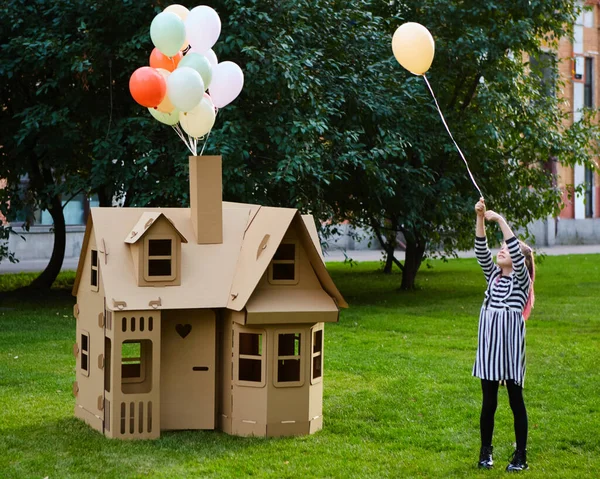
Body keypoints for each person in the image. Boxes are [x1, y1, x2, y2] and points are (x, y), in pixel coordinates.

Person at [473, 198, 535, 472]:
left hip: (509, 349)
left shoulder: (521, 281)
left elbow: (512, 245)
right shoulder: (493, 277)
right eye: (500, 248)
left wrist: (499, 221)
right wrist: (480, 218)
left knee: (515, 400)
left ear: (520, 261)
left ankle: (520, 455)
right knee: (489, 402)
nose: (501, 251)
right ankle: (486, 452)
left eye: (507, 250)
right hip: (488, 349)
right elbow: (480, 250)